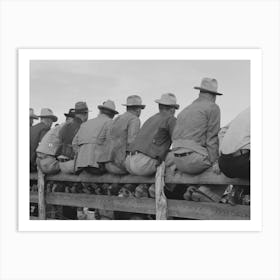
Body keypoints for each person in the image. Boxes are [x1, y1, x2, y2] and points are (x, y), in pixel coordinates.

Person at [171, 77, 222, 175]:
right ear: (214, 95)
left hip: (177, 160)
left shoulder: (184, 110)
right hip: (195, 160)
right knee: (224, 170)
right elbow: (212, 139)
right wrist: (216, 162)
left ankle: (193, 190)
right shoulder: (213, 107)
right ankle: (203, 191)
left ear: (200, 93)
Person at [125, 93, 178, 176]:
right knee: (180, 156)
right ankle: (163, 187)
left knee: (163, 156)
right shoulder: (171, 119)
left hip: (128, 163)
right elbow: (178, 141)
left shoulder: (150, 119)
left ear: (159, 107)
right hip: (142, 165)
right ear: (172, 109)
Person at [73, 100, 119, 175]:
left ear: (100, 111)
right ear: (113, 114)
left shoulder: (85, 124)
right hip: (96, 166)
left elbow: (74, 143)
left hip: (80, 165)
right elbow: (111, 144)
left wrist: (82, 156)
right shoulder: (110, 123)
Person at [104, 95, 145, 175]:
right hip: (121, 164)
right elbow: (132, 142)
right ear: (138, 109)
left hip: (108, 163)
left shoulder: (117, 119)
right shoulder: (134, 119)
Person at [218, 107, 250, 179]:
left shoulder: (246, 112)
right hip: (241, 163)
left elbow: (222, 131)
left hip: (223, 163)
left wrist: (221, 153)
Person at [58, 102, 89, 173]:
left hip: (61, 165)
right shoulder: (83, 127)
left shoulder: (64, 127)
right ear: (86, 114)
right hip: (73, 165)